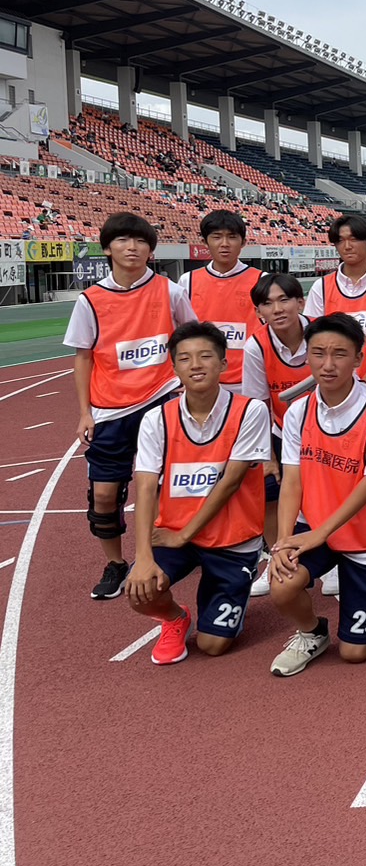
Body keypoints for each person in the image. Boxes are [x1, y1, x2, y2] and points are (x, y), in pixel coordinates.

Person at [65, 211, 196, 601]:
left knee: (171, 484)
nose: (132, 247)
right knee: (104, 497)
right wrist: (85, 412)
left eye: (140, 241)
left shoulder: (169, 291)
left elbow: (191, 337)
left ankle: (172, 551)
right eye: (122, 240)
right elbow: (83, 357)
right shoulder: (90, 300)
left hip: (162, 398)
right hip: (111, 410)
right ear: (107, 248)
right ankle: (116, 563)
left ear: (150, 250)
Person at [266, 314, 366, 677]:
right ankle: (312, 633)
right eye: (318, 353)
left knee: (355, 653)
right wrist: (283, 541)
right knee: (281, 583)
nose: (327, 364)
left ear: (358, 358)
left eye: (339, 354)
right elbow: (292, 481)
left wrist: (320, 533)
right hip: (316, 527)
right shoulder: (298, 412)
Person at [124, 322, 271, 664]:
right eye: (185, 358)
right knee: (139, 590)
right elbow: (145, 488)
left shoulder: (250, 411)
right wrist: (143, 556)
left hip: (233, 540)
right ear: (174, 367)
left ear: (223, 363)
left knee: (212, 645)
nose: (195, 365)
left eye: (205, 356)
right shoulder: (157, 419)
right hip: (176, 532)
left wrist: (185, 535)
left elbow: (230, 482)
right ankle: (175, 617)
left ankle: (228, 593)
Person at [240, 273, 309, 597]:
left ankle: (337, 559)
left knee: (330, 488)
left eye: (284, 300)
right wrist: (267, 456)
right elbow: (257, 406)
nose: (277, 309)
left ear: (300, 303)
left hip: (327, 431)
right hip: (282, 430)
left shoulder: (320, 334)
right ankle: (277, 554)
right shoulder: (256, 346)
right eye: (268, 303)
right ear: (258, 312)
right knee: (268, 487)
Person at [303, 214, 366, 382]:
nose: (347, 246)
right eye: (340, 241)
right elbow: (313, 340)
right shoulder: (321, 287)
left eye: (353, 239)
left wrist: (365, 383)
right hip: (332, 383)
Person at [180, 209, 260, 391]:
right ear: (204, 242)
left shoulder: (261, 280)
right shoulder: (187, 281)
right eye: (216, 237)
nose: (224, 244)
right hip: (203, 379)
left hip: (249, 379)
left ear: (243, 242)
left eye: (232, 237)